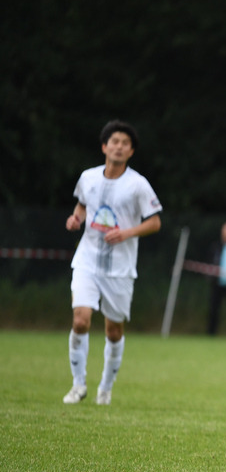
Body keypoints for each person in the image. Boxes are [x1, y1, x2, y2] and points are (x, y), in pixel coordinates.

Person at [63, 119, 162, 405]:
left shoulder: (138, 185)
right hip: (87, 260)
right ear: (105, 146)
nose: (119, 147)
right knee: (80, 320)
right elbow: (82, 204)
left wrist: (127, 232)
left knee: (113, 330)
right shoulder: (88, 178)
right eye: (114, 142)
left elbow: (155, 221)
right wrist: (76, 219)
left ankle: (105, 387)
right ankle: (78, 385)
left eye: (125, 143)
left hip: (120, 268)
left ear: (131, 151)